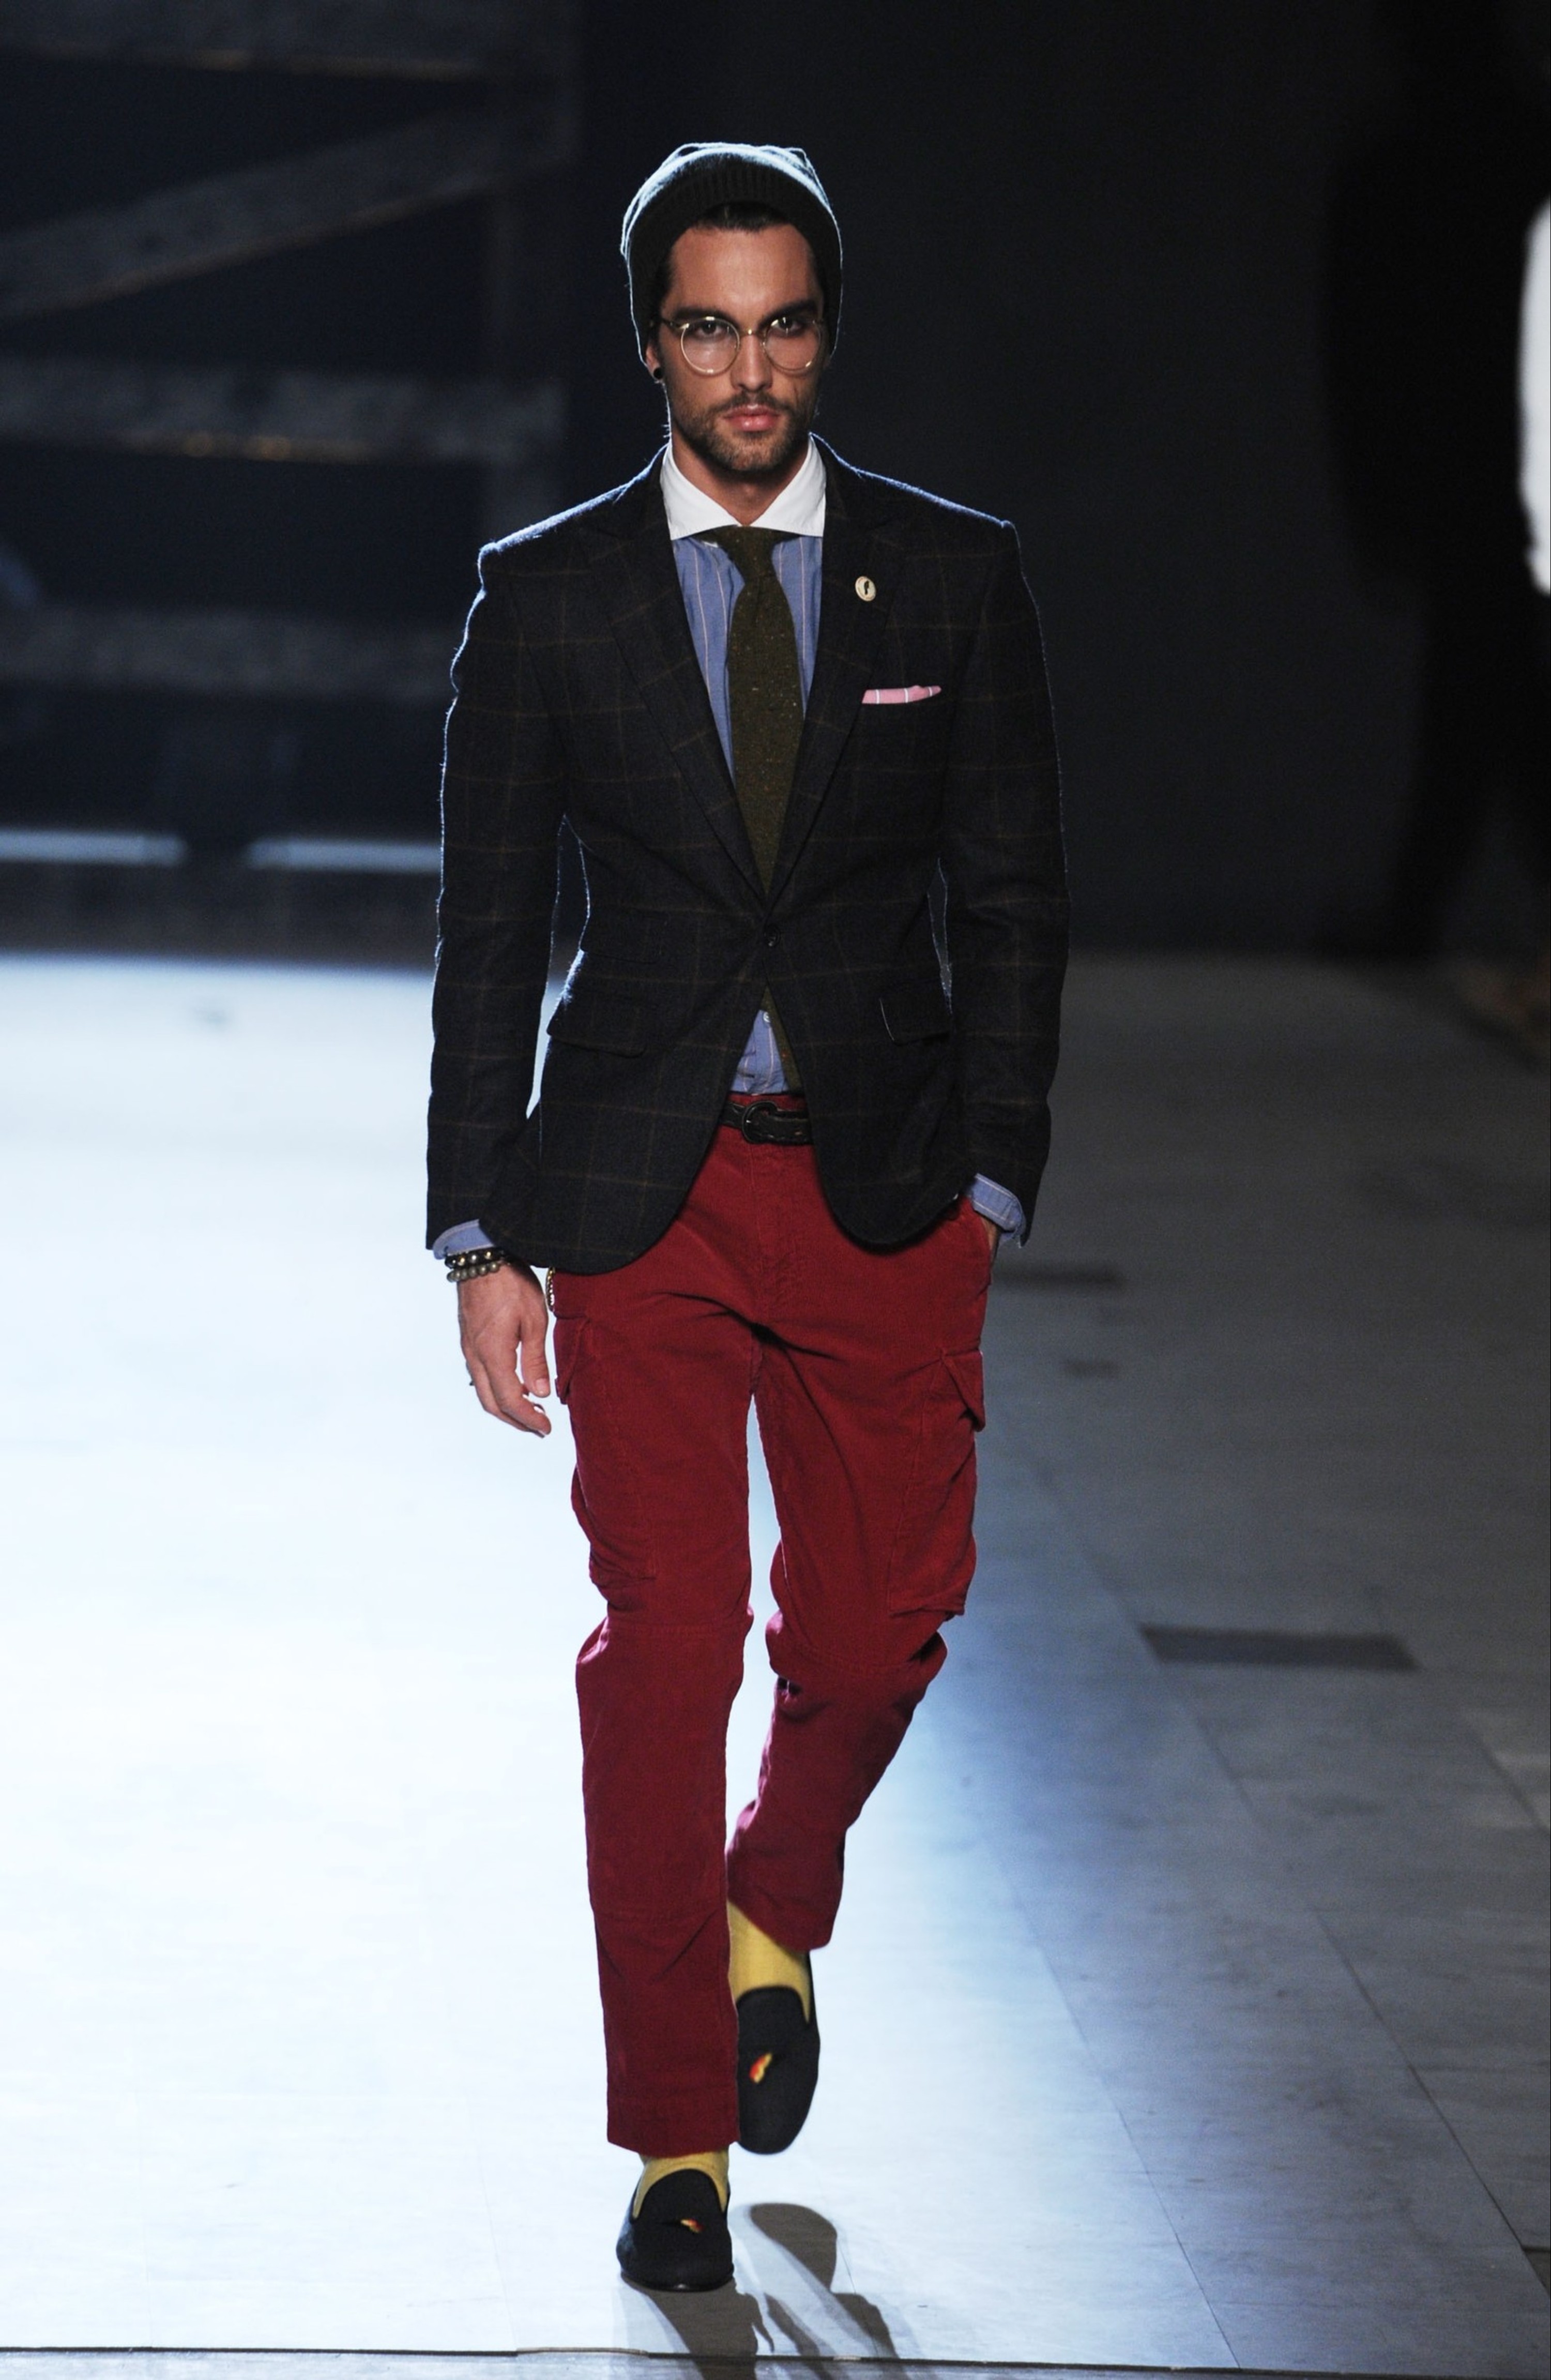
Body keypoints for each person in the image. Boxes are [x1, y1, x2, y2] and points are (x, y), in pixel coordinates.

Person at [426, 143, 1067, 2294]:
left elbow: (1015, 898)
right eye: (710, 326)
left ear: (826, 334)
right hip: (645, 1194)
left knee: (879, 1632)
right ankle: (675, 2137)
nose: (751, 367)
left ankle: (769, 1898)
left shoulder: (951, 580)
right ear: (651, 344)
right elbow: (488, 931)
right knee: (670, 1645)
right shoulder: (550, 597)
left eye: (784, 324)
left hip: (886, 1189)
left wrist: (991, 1183)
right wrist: (480, 1234)